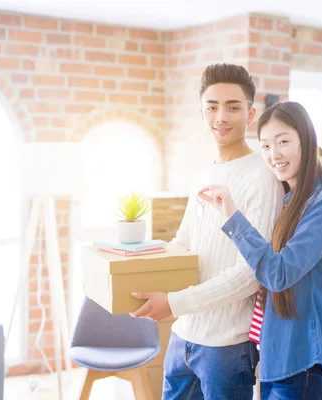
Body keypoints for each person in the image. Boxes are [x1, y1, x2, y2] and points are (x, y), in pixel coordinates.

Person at [129, 63, 284, 399]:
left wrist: (174, 302)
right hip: (182, 336)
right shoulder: (201, 174)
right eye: (212, 107)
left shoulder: (263, 177)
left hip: (227, 346)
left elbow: (250, 274)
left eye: (233, 107)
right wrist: (138, 273)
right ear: (202, 113)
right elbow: (183, 244)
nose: (221, 116)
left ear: (251, 113)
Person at [198, 101, 322, 399]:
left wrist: (234, 218)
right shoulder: (289, 201)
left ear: (307, 142)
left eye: (283, 142)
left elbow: (279, 273)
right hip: (278, 365)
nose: (274, 155)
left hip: (306, 367)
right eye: (266, 146)